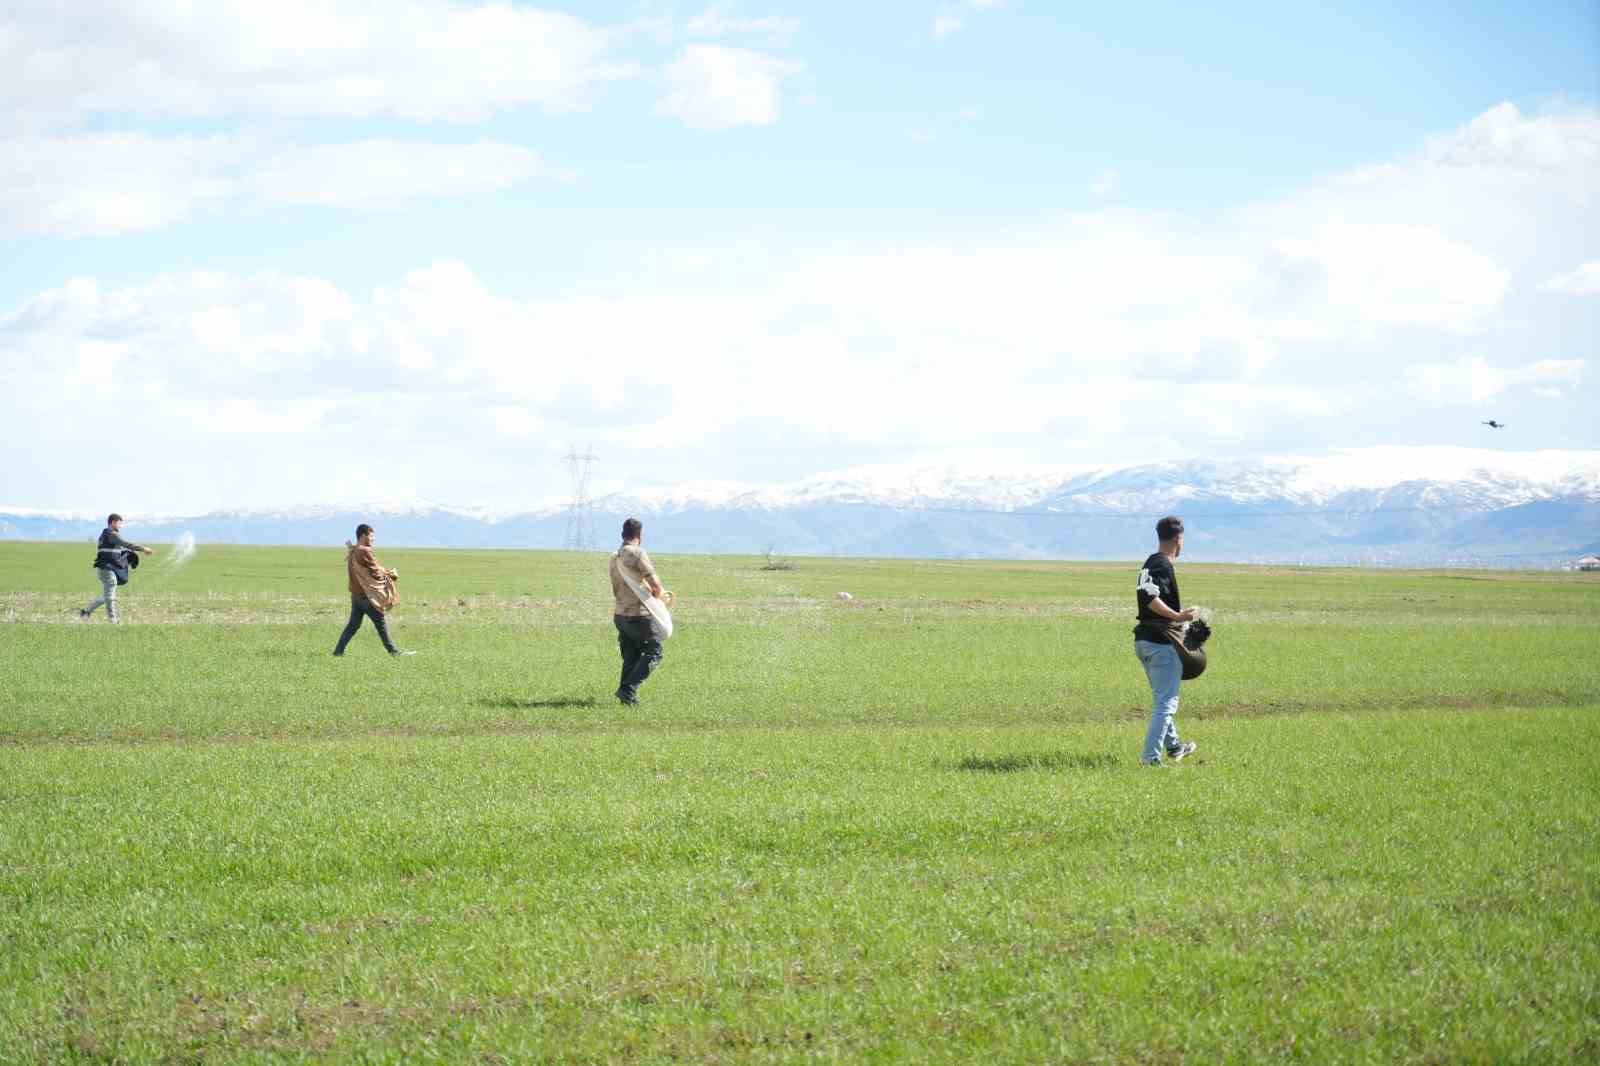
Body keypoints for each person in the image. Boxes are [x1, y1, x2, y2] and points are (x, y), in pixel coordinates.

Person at [1133, 515, 1199, 766]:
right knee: (1166, 704)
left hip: (1145, 641)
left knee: (1162, 699)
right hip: (1159, 643)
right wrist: (1179, 616)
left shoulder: (1151, 561)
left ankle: (1174, 746)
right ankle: (1150, 759)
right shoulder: (1161, 564)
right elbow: (1150, 598)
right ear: (1178, 539)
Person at [333, 524, 413, 657]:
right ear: (363, 536)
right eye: (371, 536)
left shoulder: (353, 551)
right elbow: (375, 572)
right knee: (380, 622)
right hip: (367, 597)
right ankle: (393, 652)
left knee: (353, 625)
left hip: (356, 596)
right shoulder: (365, 551)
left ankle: (338, 651)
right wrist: (390, 575)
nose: (373, 539)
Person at [609, 517, 665, 705]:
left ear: (622, 534)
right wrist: (659, 596)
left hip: (620, 615)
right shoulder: (638, 554)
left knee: (631, 656)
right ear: (639, 535)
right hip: (638, 615)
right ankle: (628, 689)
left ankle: (627, 698)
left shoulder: (615, 557)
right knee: (654, 651)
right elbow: (655, 585)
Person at [80, 513, 154, 623]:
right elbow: (126, 544)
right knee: (111, 593)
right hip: (106, 568)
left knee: (107, 595)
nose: (120, 526)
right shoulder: (112, 534)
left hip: (104, 568)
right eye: (119, 523)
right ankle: (113, 621)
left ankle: (86, 612)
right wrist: (143, 549)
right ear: (113, 522)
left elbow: (113, 551)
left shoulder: (105, 534)